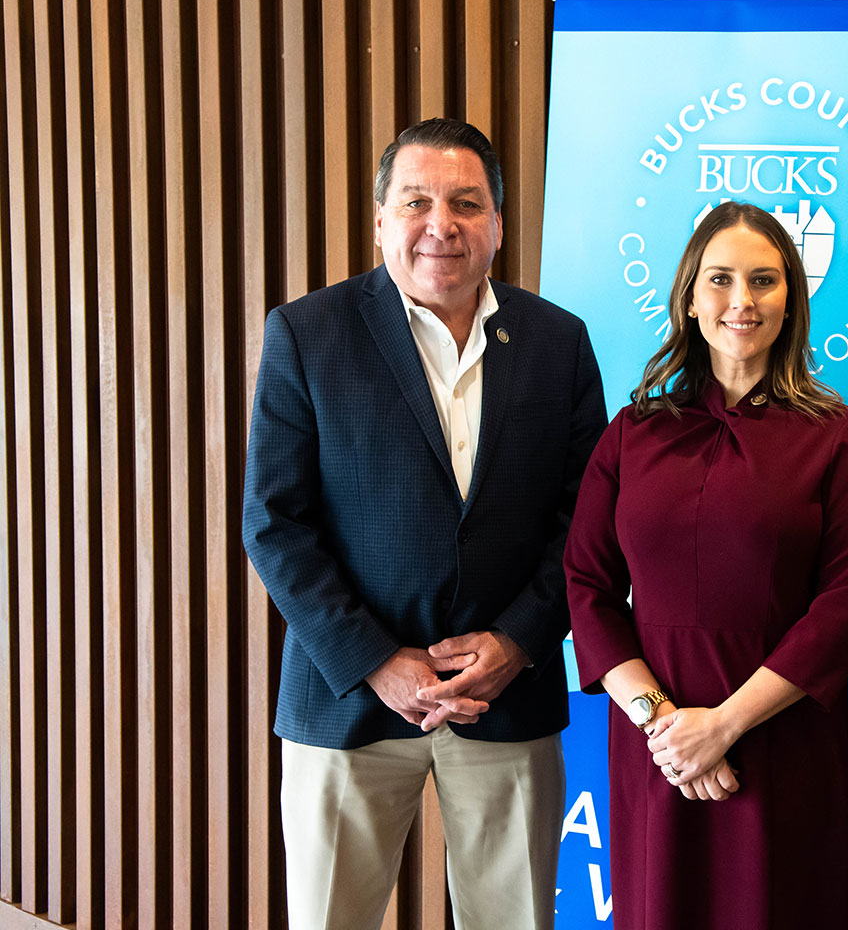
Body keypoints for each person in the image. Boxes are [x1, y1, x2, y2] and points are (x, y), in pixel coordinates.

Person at [242, 118, 606, 930]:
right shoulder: (307, 333)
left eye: (466, 203)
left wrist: (516, 643)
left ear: (499, 225)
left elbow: (587, 519)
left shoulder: (559, 342)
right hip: (348, 701)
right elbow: (274, 522)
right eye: (417, 201)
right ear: (380, 220)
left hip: (504, 699)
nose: (441, 223)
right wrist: (376, 661)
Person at [564, 201, 848, 930]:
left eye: (764, 281)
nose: (742, 301)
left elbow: (846, 604)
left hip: (782, 749)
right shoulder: (632, 433)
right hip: (657, 752)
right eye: (720, 279)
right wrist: (668, 728)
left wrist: (724, 726)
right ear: (688, 296)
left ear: (791, 299)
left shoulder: (841, 440)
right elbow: (586, 586)